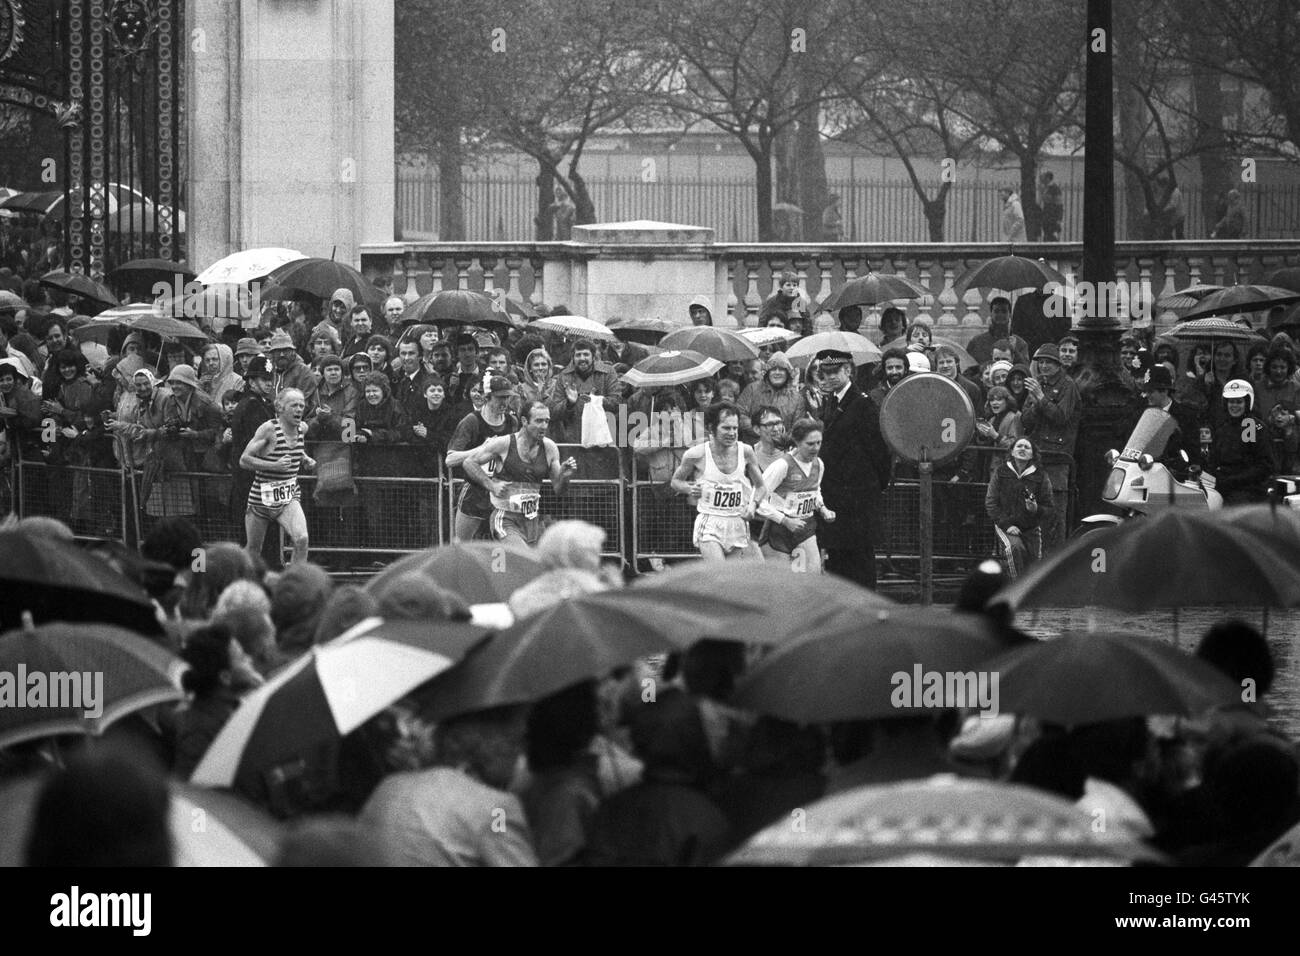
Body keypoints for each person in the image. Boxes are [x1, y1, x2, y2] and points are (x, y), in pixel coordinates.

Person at [359, 704, 538, 867]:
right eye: (518, 741)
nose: (520, 753)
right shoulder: (496, 811)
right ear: (498, 746)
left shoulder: (388, 788)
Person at [813, 349, 892, 588]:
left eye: (834, 372)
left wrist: (874, 488)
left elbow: (880, 452)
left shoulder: (863, 404)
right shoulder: (830, 402)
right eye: (824, 373)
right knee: (838, 560)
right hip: (835, 495)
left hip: (858, 498)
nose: (828, 378)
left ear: (848, 371)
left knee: (859, 561)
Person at [464, 401, 579, 548]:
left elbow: (559, 489)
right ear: (524, 421)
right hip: (505, 518)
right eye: (538, 421)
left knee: (531, 566)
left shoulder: (549, 447)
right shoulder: (504, 443)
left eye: (546, 421)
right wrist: (491, 485)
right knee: (522, 558)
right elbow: (469, 462)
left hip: (531, 521)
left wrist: (564, 475)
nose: (544, 426)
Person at [670, 400, 769, 562]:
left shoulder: (746, 451)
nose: (732, 433)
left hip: (738, 522)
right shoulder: (696, 454)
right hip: (710, 523)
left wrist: (753, 505)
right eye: (726, 428)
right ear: (711, 428)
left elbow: (760, 487)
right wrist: (689, 489)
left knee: (751, 576)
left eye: (735, 428)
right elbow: (675, 482)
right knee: (719, 576)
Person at [241, 387, 316, 564]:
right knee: (253, 549)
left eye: (301, 405)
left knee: (302, 539)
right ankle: (239, 581)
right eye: (294, 405)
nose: (299, 410)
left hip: (288, 497)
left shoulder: (301, 429)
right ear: (280, 407)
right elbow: (244, 460)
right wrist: (274, 465)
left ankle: (296, 583)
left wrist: (305, 458)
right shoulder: (268, 429)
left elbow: (294, 449)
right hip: (261, 499)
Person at [1019, 343, 1080, 551]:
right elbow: (1025, 421)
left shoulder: (1067, 385)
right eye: (1041, 362)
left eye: (1048, 362)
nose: (1043, 366)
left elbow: (1061, 417)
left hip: (1057, 460)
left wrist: (1041, 398)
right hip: (1037, 459)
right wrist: (1037, 401)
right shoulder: (1037, 385)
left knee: (1054, 517)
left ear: (1057, 365)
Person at [445, 374, 519, 541]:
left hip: (502, 489)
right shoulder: (472, 421)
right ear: (487, 397)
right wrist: (482, 449)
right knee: (462, 542)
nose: (504, 402)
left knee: (501, 541)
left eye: (507, 397)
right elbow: (450, 459)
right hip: (475, 490)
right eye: (500, 398)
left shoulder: (511, 422)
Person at [759, 417, 835, 573]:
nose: (815, 448)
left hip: (805, 527)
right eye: (810, 444)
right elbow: (757, 501)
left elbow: (815, 490)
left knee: (812, 578)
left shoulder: (819, 464)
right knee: (784, 586)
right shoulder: (782, 466)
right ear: (797, 442)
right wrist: (785, 521)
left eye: (818, 443)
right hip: (778, 531)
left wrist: (823, 508)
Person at [986, 437, 1054, 579]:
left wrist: (1036, 509)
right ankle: (1016, 590)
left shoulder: (1040, 476)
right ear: (1012, 451)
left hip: (1031, 527)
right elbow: (991, 503)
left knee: (1034, 562)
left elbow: (1049, 507)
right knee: (1015, 549)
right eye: (1019, 446)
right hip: (1005, 525)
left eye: (1027, 447)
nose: (1022, 449)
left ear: (1033, 454)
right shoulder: (1001, 472)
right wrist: (1007, 524)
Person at [1205, 379, 1271, 505]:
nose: (1234, 406)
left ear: (1247, 403)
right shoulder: (1223, 427)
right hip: (1222, 485)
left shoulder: (1250, 426)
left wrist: (1231, 480)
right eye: (1231, 402)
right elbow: (1214, 460)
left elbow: (1260, 466)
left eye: (1239, 402)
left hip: (1247, 489)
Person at [553, 337, 620, 444]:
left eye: (586, 354)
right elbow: (555, 411)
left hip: (602, 435)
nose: (582, 358)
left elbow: (616, 403)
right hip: (574, 437)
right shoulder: (564, 376)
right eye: (578, 355)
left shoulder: (608, 372)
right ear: (573, 358)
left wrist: (596, 401)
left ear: (593, 357)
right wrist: (570, 403)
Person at [736, 350, 805, 441]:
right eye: (773, 369)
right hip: (753, 448)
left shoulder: (797, 399)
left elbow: (797, 429)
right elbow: (739, 414)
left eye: (781, 369)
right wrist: (761, 430)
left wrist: (779, 437)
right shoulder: (752, 389)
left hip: (782, 449)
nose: (777, 372)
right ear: (767, 372)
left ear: (787, 373)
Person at [966, 296, 1029, 367]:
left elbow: (1026, 369)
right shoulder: (976, 342)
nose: (1000, 315)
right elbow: (968, 369)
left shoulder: (1020, 343)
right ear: (991, 314)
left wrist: (1015, 350)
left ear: (1009, 315)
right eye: (996, 311)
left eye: (1004, 311)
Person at [266, 329, 319, 411]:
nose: (282, 354)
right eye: (278, 351)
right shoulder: (267, 371)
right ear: (272, 353)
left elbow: (304, 405)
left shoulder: (304, 373)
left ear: (293, 352)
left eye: (286, 350)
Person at [1038, 171, 1063, 241]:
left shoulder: (1055, 189)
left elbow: (1059, 205)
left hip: (1052, 218)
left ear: (1048, 178)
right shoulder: (1045, 188)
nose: (1041, 180)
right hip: (1046, 217)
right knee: (1046, 235)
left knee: (1052, 236)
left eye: (1043, 178)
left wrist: (1059, 219)